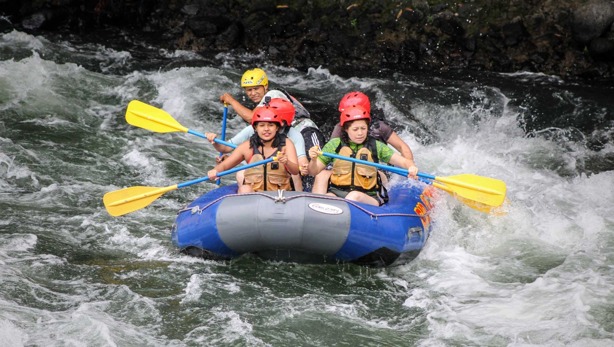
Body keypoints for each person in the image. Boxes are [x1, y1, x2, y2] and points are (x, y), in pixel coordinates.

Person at [218, 68, 325, 191]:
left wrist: (230, 100)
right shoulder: (264, 125)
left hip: (304, 129)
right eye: (249, 90)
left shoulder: (272, 94)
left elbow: (251, 117)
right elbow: (256, 158)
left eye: (256, 88)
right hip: (282, 134)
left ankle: (313, 193)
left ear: (265, 86)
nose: (253, 93)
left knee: (312, 167)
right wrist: (229, 158)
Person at [308, 105, 418, 206]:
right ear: (346, 129)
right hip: (338, 192)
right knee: (325, 199)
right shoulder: (335, 144)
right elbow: (313, 171)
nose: (360, 133)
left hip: (368, 196)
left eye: (363, 128)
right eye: (355, 129)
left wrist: (411, 167)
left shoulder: (376, 146)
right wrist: (313, 160)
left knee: (354, 196)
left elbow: (403, 161)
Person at [207, 103, 299, 193]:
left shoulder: (286, 144)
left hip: (279, 197)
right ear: (255, 128)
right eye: (262, 125)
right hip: (254, 197)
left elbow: (295, 171)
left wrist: (286, 162)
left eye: (271, 125)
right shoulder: (247, 146)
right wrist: (215, 171)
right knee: (244, 189)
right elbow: (224, 165)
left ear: (277, 128)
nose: (266, 129)